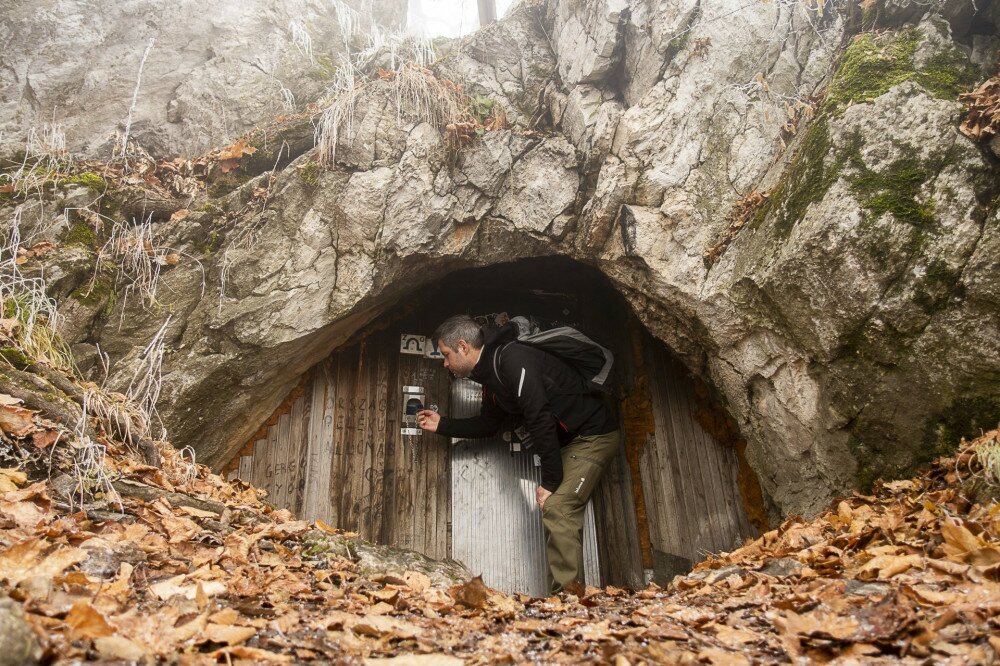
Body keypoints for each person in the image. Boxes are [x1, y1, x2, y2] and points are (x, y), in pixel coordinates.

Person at [416, 314, 621, 594]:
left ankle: (570, 602)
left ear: (464, 347)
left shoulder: (513, 360)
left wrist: (550, 481)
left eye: (447, 355)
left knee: (558, 506)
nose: (446, 363)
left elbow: (540, 417)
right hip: (570, 443)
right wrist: (443, 424)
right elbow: (489, 424)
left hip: (594, 435)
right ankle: (568, 599)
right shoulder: (492, 379)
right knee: (558, 507)